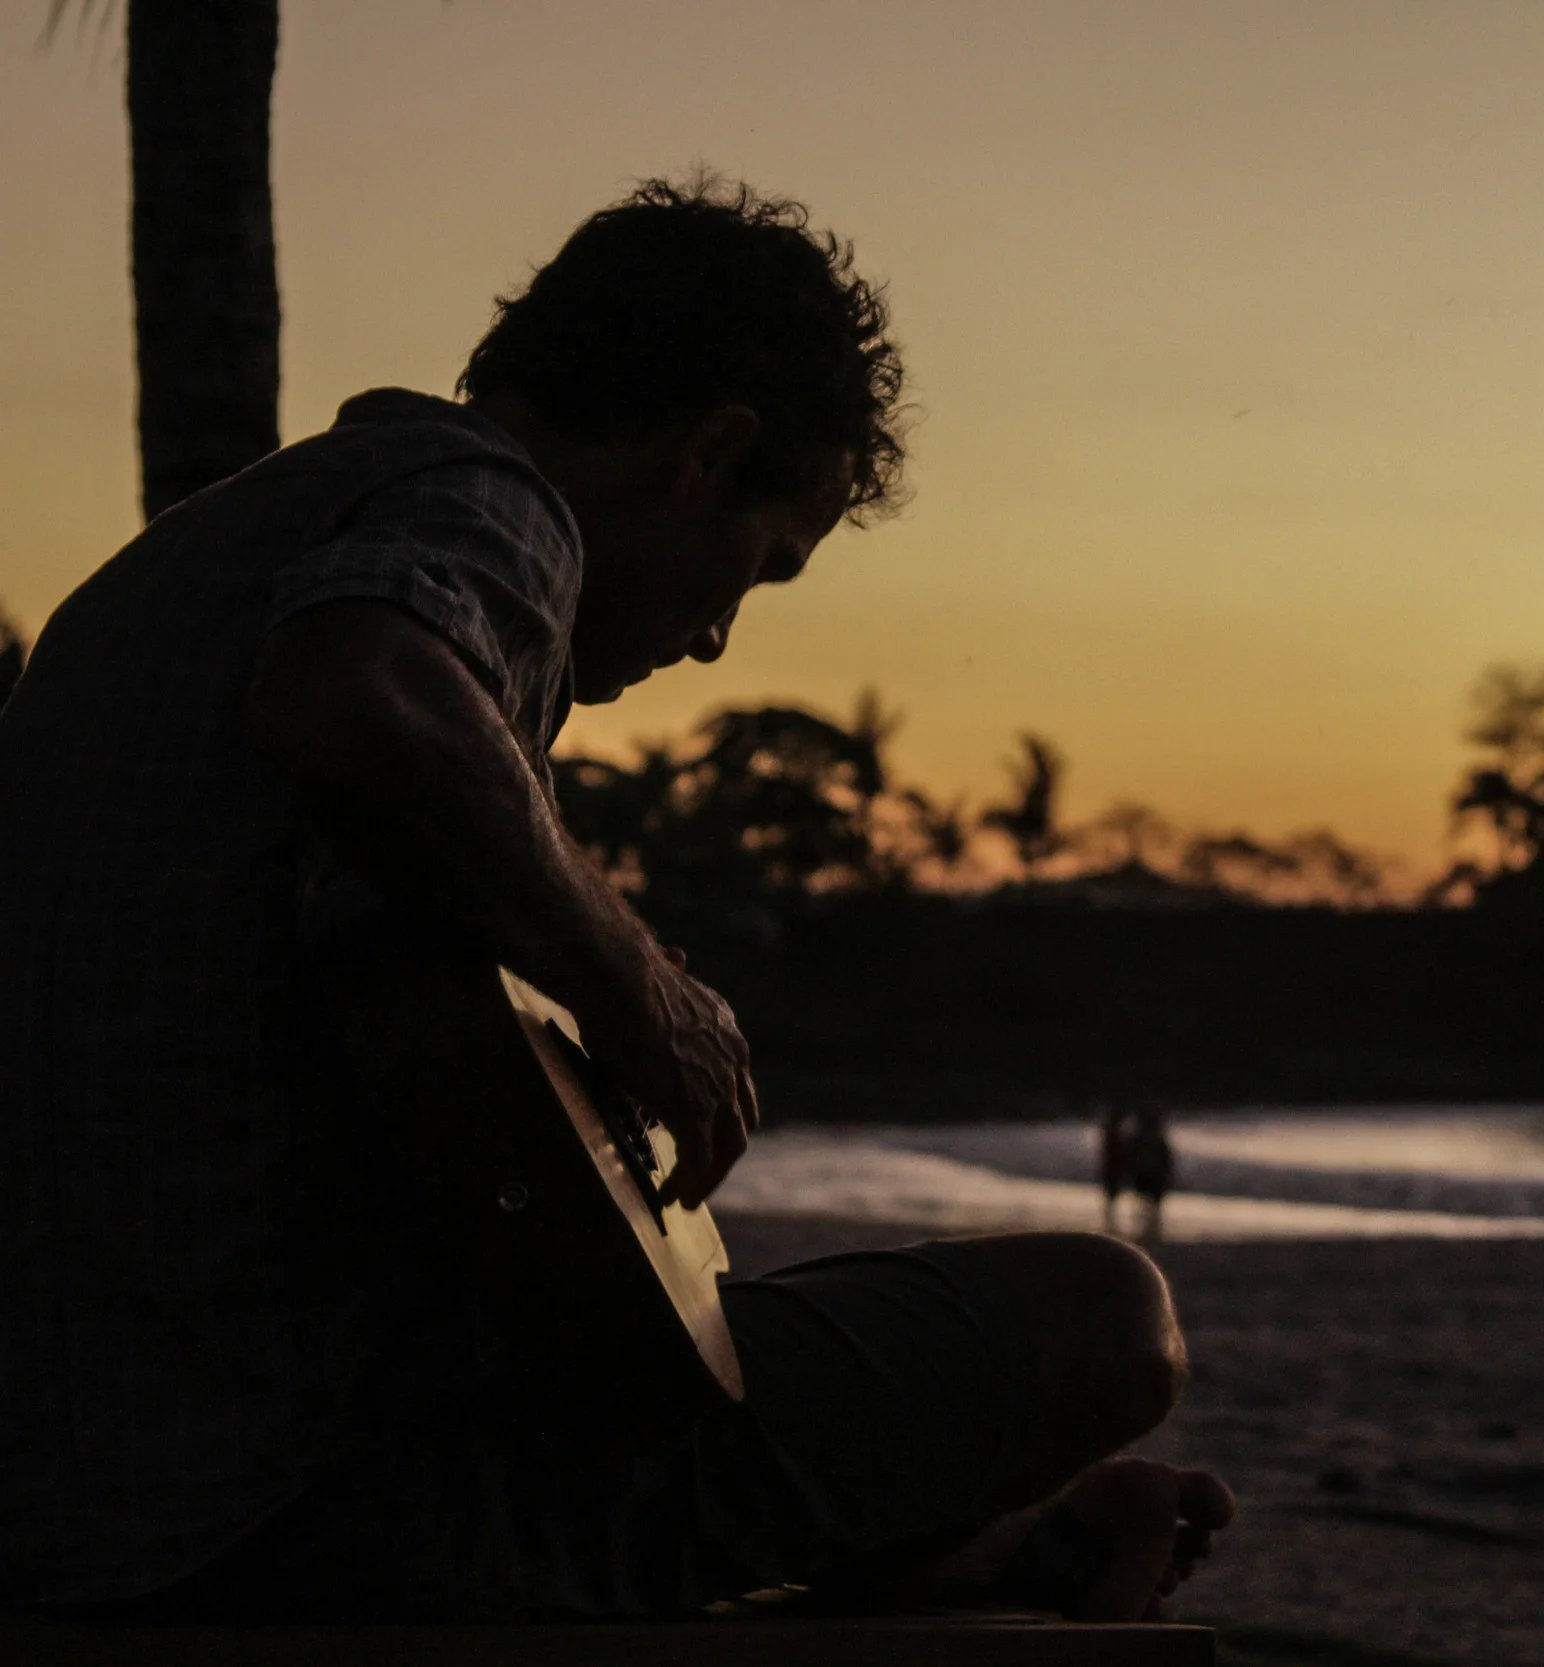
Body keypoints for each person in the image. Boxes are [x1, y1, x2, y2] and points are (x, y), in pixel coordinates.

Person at [0, 176, 1230, 1622]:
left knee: (682, 1359)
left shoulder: (186, 562)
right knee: (1110, 1316)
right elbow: (360, 689)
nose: (714, 637)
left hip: (79, 1489)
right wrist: (639, 987)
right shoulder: (495, 509)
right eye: (761, 571)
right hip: (287, 1518)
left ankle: (966, 1558)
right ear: (711, 452)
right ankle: (956, 1549)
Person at [1129, 1107, 1177, 1242]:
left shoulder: (1148, 1137)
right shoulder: (1152, 1137)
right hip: (1148, 1173)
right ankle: (1151, 1226)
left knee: (1149, 1202)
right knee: (1149, 1202)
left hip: (1152, 1173)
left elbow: (1166, 1159)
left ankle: (1151, 1225)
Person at [1098, 1103, 1134, 1233]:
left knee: (1112, 1193)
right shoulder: (1113, 1132)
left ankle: (1110, 1216)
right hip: (1113, 1166)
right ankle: (1110, 1218)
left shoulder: (1111, 1130)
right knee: (1112, 1192)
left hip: (1112, 1165)